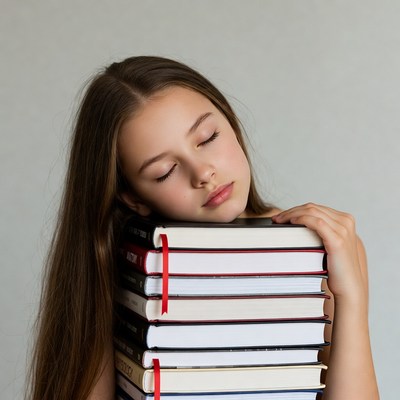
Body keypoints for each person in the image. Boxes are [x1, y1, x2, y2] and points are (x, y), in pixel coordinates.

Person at [27, 56, 379, 400]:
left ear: (230, 120)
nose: (203, 174)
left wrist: (351, 296)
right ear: (133, 198)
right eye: (164, 171)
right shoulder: (127, 265)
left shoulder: (321, 249)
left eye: (208, 137)